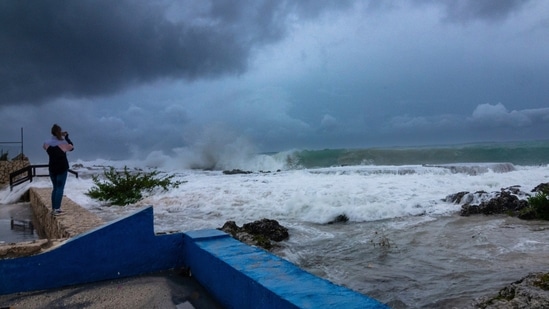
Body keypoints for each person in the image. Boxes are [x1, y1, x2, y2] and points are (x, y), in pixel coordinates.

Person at [43, 124, 74, 216]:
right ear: (59, 132)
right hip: (62, 167)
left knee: (55, 188)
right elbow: (72, 147)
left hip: (52, 167)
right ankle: (57, 209)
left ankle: (54, 208)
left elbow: (45, 147)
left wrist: (59, 136)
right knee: (60, 188)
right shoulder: (63, 143)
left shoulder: (46, 143)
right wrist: (66, 137)